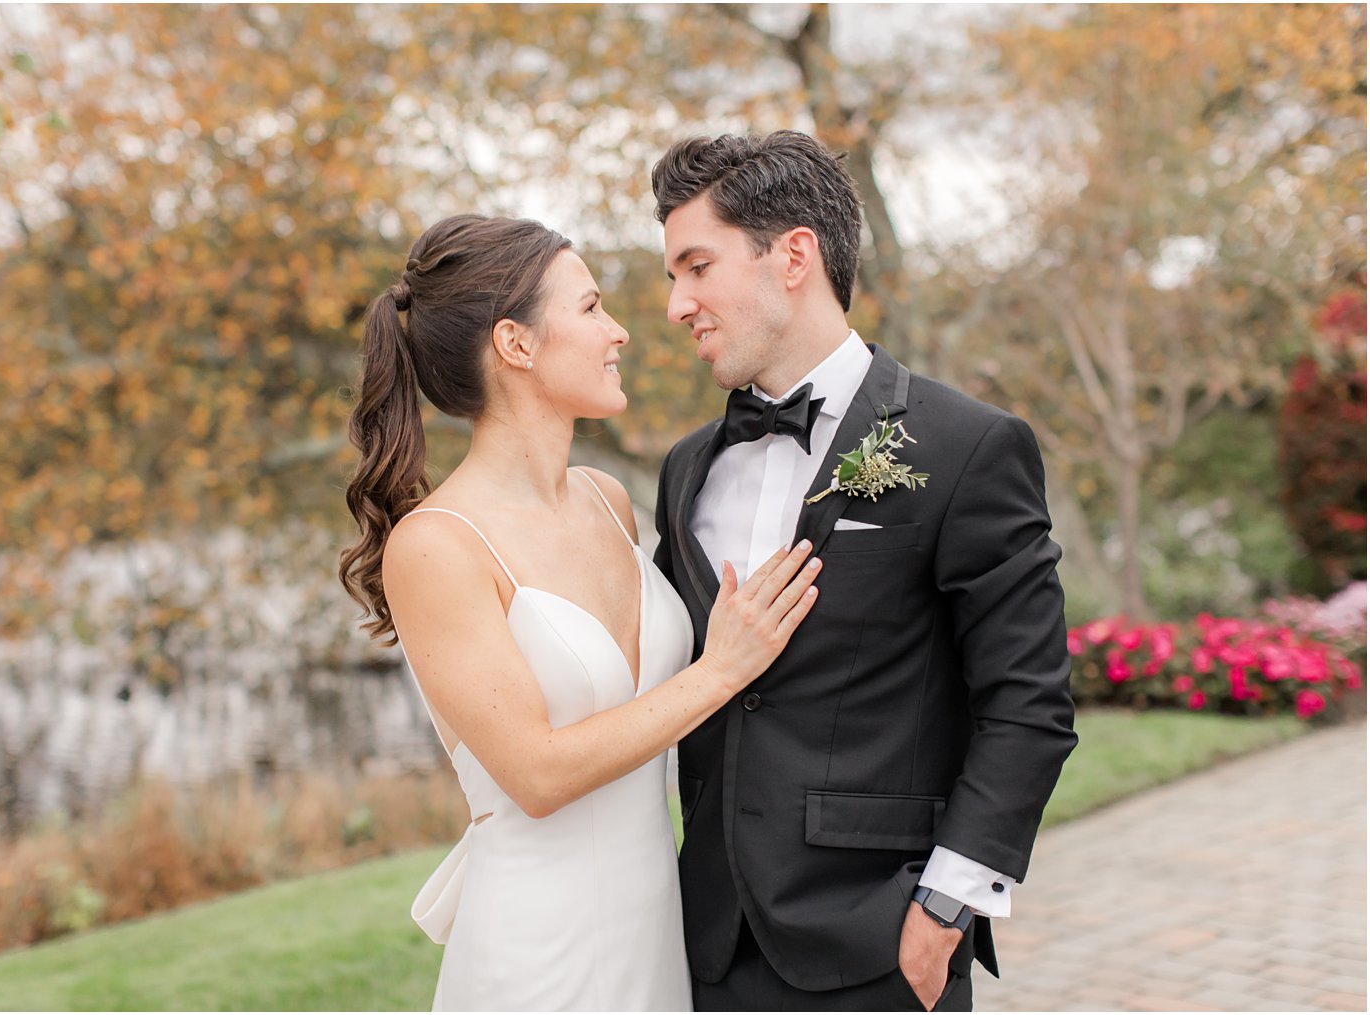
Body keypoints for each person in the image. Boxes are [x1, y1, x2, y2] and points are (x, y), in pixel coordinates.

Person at [339, 213, 822, 1012]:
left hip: (656, 928)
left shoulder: (608, 500)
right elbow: (537, 772)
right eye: (592, 307)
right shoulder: (437, 546)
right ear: (516, 343)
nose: (622, 331)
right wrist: (723, 669)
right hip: (538, 948)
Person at [650, 131, 1079, 1011]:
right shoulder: (685, 469)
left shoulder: (967, 446)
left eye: (696, 266)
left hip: (881, 946)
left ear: (794, 255)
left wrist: (944, 910)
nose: (676, 304)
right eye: (671, 277)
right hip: (706, 947)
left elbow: (1028, 702)